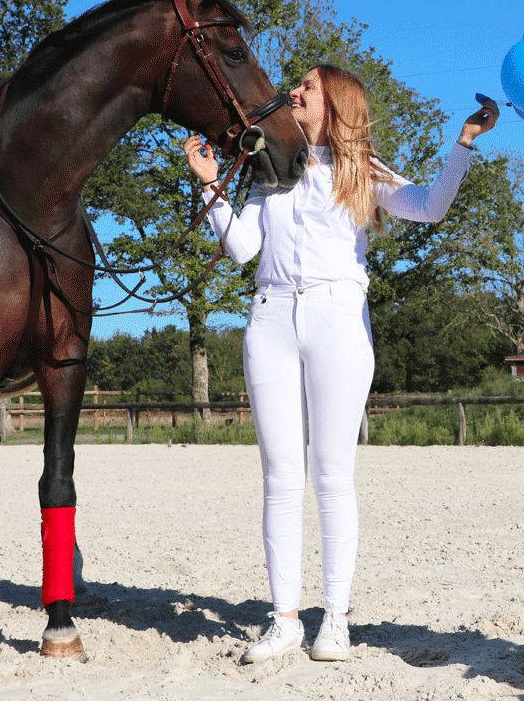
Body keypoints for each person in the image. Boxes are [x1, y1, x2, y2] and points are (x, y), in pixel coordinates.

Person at [183, 64, 498, 664]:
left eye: (306, 86)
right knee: (279, 476)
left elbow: (429, 207)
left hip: (337, 318)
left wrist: (463, 143)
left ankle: (335, 619)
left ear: (334, 101)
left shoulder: (361, 172)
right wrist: (209, 184)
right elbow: (243, 248)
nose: (293, 91)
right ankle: (282, 621)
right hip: (270, 316)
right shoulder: (267, 167)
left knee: (332, 475)